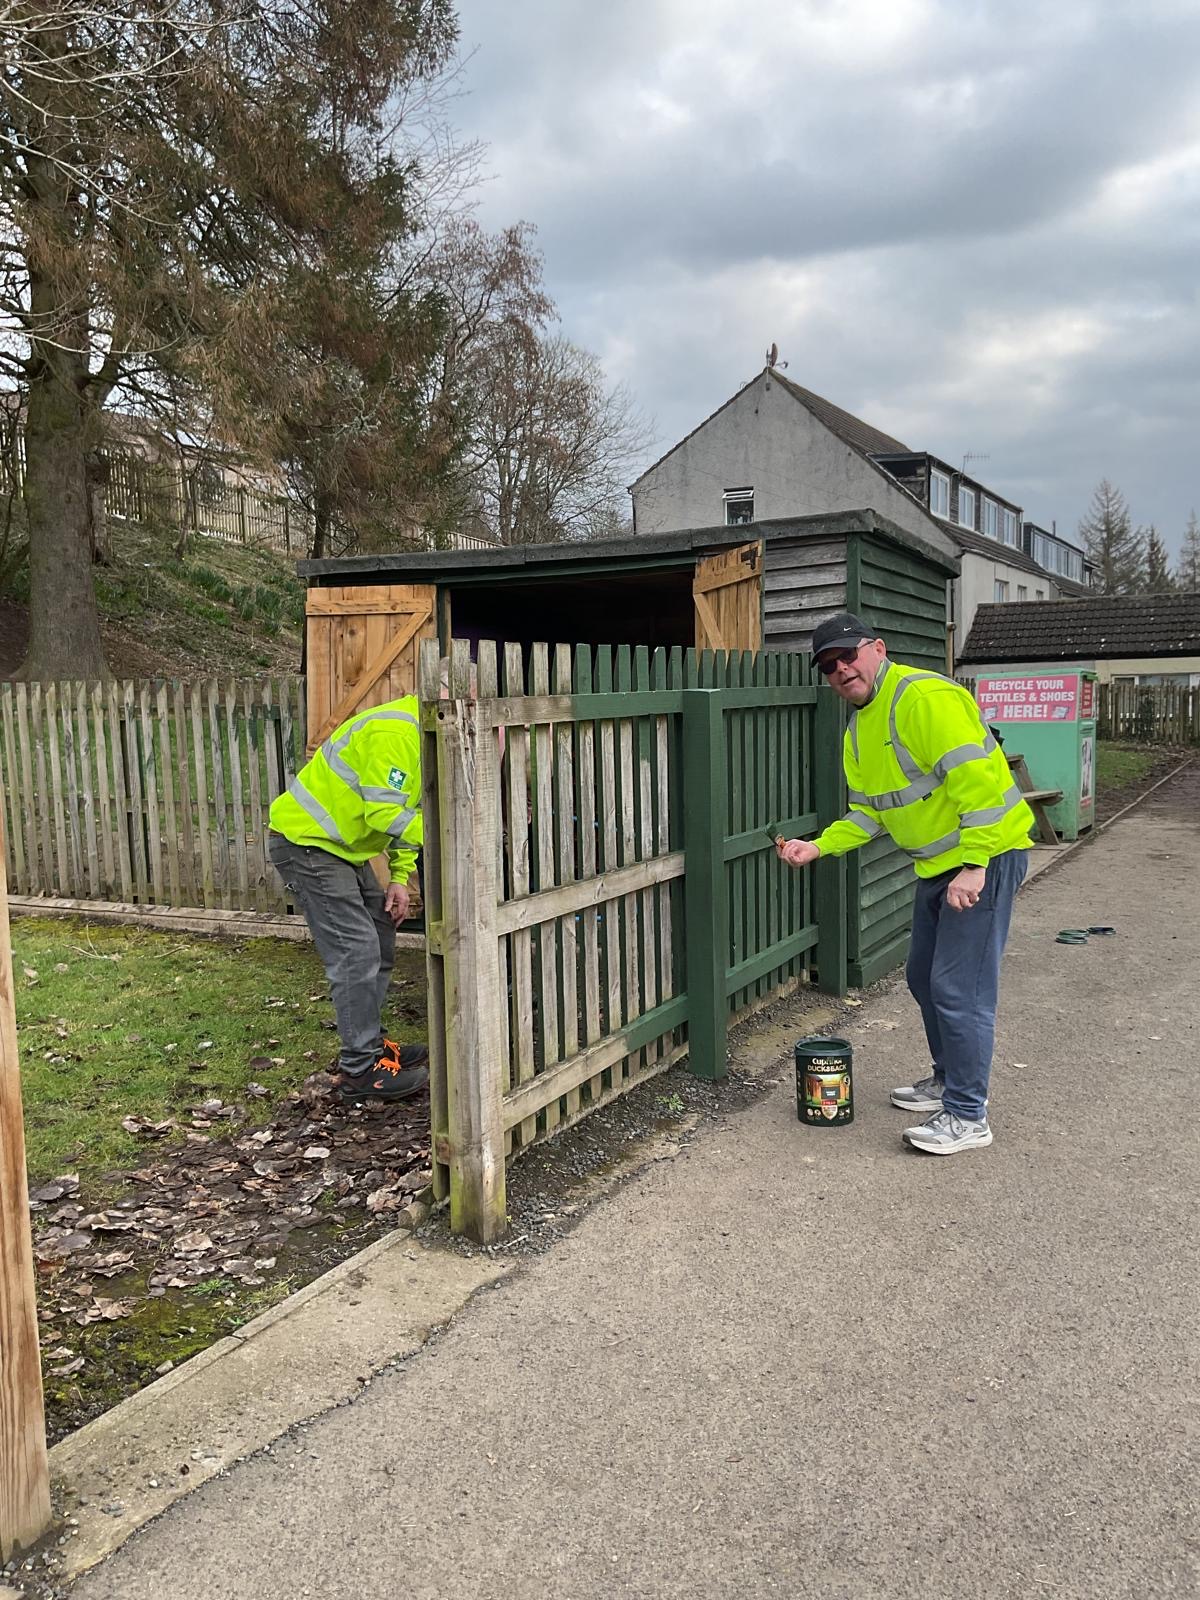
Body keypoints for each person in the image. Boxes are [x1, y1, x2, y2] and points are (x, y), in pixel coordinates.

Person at [777, 613, 1034, 1156]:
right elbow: (868, 814)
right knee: (923, 977)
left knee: (959, 989)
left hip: (984, 857)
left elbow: (978, 783)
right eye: (828, 665)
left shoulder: (923, 698)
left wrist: (977, 863)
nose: (841, 669)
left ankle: (967, 1115)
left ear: (877, 648)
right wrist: (818, 846)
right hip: (938, 866)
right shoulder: (857, 731)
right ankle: (947, 1081)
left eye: (848, 655)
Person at [268, 697, 429, 1104]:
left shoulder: (424, 737)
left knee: (381, 937)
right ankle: (360, 1070)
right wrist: (454, 831)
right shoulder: (396, 733)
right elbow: (384, 815)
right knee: (356, 952)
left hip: (345, 849)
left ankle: (372, 1047)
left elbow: (406, 810)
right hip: (308, 844)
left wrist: (398, 878)